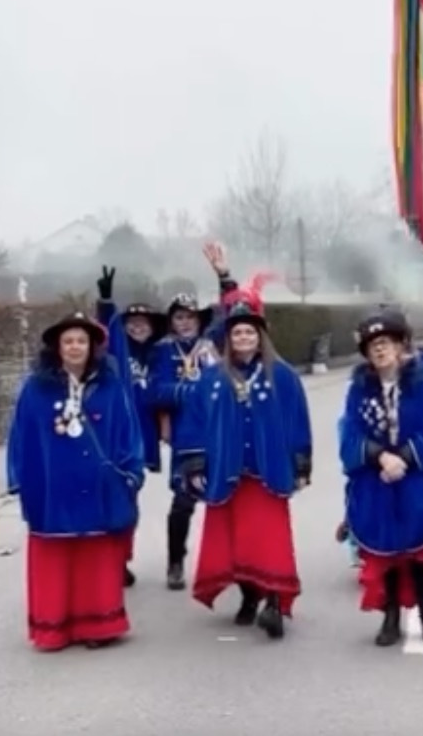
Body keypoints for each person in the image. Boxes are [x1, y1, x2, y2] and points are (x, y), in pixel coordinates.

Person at [171, 292, 313, 640]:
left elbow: (298, 422)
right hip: (226, 472)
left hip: (268, 473)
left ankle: (274, 604)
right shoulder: (212, 378)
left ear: (260, 336)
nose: (244, 338)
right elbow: (194, 423)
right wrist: (195, 465)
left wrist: (300, 465)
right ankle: (250, 596)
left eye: (250, 332)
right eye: (237, 332)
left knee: (270, 541)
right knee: (238, 542)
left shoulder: (283, 376)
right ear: (228, 338)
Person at [5, 311, 145, 652]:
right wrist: (18, 478)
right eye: (68, 341)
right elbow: (20, 436)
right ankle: (53, 628)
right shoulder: (35, 389)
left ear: (92, 346)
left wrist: (132, 472)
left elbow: (128, 431)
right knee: (54, 557)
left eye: (81, 340)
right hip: (51, 488)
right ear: (57, 347)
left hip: (99, 488)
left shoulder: (110, 387)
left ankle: (98, 626)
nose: (75, 347)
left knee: (96, 557)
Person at [339, 309, 423, 647]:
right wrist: (380, 456)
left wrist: (403, 458)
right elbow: (350, 434)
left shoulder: (420, 384)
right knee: (384, 550)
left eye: (386, 342)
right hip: (376, 476)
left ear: (401, 346)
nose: (380, 349)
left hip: (416, 474)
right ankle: (390, 615)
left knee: (421, 546)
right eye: (373, 344)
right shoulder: (359, 389)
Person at [146, 244, 240, 590]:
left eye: (190, 317)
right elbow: (156, 392)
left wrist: (224, 275)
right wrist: (192, 391)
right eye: (179, 317)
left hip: (221, 434)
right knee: (183, 502)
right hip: (187, 437)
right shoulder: (162, 351)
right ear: (171, 322)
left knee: (229, 500)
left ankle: (234, 564)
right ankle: (175, 562)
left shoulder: (213, 342)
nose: (185, 322)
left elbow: (233, 314)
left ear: (200, 319)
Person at [92, 266, 167, 588]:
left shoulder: (160, 355)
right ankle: (111, 559)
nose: (137, 327)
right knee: (111, 499)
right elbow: (105, 330)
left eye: (143, 323)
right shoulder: (117, 355)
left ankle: (122, 555)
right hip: (112, 436)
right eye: (131, 322)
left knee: (129, 501)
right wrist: (106, 302)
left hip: (142, 437)